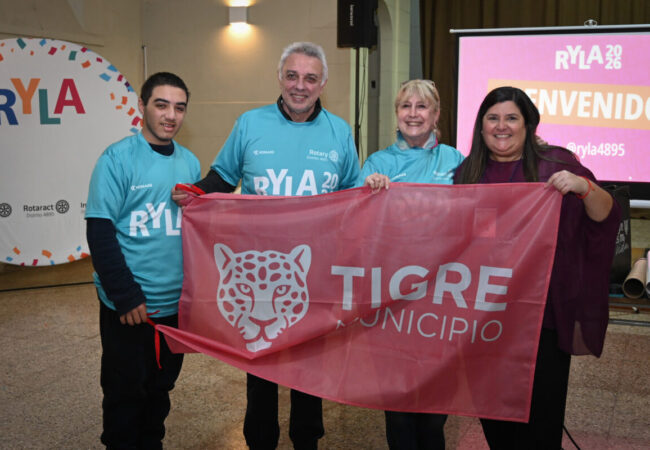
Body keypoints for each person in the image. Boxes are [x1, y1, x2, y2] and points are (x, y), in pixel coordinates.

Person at [172, 42, 360, 450]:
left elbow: (353, 197)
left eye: (310, 78)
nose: (299, 86)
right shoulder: (250, 124)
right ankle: (259, 441)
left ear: (323, 84)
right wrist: (195, 192)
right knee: (260, 370)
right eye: (292, 76)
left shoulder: (340, 132)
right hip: (256, 272)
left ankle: (306, 441)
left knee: (309, 370)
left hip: (313, 276)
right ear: (279, 78)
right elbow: (222, 177)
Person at [454, 86, 620, 449]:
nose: (502, 126)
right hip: (486, 318)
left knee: (541, 426)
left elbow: (606, 214)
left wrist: (583, 187)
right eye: (493, 118)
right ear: (480, 127)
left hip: (542, 318)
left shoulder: (557, 164)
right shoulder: (467, 173)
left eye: (511, 118)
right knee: (496, 422)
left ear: (528, 125)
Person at [86, 72, 201, 449]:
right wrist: (125, 295)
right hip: (130, 307)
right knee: (124, 394)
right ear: (142, 106)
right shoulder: (116, 158)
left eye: (179, 108)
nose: (171, 115)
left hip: (174, 306)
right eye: (161, 105)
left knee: (159, 391)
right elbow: (100, 232)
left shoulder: (190, 163)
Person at [360, 79, 464, 450]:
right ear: (397, 114)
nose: (413, 114)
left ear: (436, 115)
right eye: (406, 106)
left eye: (422, 107)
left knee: (434, 410)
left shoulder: (455, 161)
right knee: (398, 405)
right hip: (393, 297)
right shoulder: (377, 163)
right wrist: (367, 193)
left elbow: (480, 217)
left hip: (443, 297)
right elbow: (357, 228)